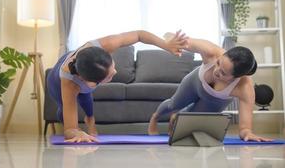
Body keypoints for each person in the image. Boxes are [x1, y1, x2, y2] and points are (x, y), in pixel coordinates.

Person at [47, 30, 186, 143]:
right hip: (55, 82)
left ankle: (90, 120)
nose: (116, 72)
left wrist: (166, 45)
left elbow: (139, 35)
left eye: (112, 67)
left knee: (87, 100)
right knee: (65, 111)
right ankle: (78, 116)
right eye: (110, 76)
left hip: (82, 68)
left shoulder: (106, 44)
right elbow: (69, 130)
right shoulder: (69, 85)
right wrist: (77, 132)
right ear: (89, 81)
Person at [148, 31, 273, 142]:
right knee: (173, 105)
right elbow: (176, 39)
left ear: (237, 77)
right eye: (218, 63)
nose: (216, 71)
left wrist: (248, 133)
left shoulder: (244, 87)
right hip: (195, 82)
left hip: (216, 100)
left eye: (223, 73)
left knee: (188, 118)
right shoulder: (211, 51)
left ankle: (176, 117)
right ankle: (155, 117)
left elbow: (245, 128)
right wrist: (172, 40)